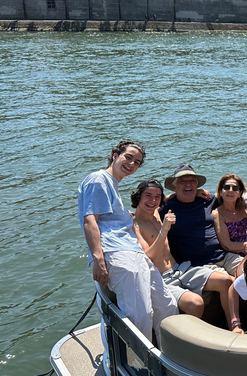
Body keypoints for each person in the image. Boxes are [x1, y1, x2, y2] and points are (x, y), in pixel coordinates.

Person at [77, 140, 177, 343]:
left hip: (134, 252)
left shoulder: (111, 184)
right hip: (119, 254)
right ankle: (137, 367)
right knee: (140, 315)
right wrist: (98, 260)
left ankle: (169, 357)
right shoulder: (98, 179)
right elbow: (90, 221)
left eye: (137, 162)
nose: (132, 164)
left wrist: (125, 215)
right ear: (115, 155)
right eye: (128, 157)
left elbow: (108, 217)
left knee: (167, 306)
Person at [131, 178, 233, 318]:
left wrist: (195, 192)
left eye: (157, 197)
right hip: (161, 279)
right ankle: (192, 339)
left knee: (226, 281)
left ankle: (234, 326)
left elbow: (168, 197)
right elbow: (149, 257)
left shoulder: (156, 212)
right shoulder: (134, 225)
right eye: (148, 196)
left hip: (180, 269)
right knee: (196, 303)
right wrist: (164, 231)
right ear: (138, 197)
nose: (153, 201)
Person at [160, 164, 241, 276]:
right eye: (182, 181)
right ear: (174, 187)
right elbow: (148, 209)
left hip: (223, 255)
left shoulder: (208, 199)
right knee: (230, 280)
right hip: (198, 264)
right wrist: (171, 196)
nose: (188, 184)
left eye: (192, 181)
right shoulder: (165, 208)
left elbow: (231, 203)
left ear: (197, 185)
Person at [212, 174, 247, 257]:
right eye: (226, 187)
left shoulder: (246, 208)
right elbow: (227, 245)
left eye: (235, 188)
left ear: (240, 193)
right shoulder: (218, 214)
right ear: (220, 192)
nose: (230, 190)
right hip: (238, 254)